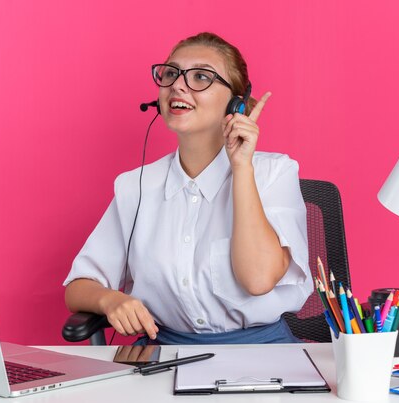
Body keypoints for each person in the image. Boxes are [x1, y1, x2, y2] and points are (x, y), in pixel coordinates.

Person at [64, 32, 312, 344]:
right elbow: (78, 287)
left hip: (262, 356)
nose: (178, 85)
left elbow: (258, 279)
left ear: (235, 101)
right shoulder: (136, 185)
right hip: (165, 355)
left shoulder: (273, 172)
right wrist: (109, 300)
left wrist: (241, 167)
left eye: (200, 77)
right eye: (170, 73)